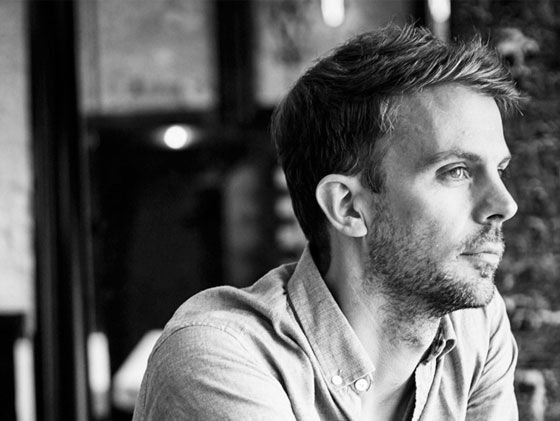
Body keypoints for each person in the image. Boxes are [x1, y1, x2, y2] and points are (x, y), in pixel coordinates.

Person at [134, 23, 521, 421]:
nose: (504, 204)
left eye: (500, 170)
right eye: (456, 171)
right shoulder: (219, 358)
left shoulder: (475, 325)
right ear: (348, 207)